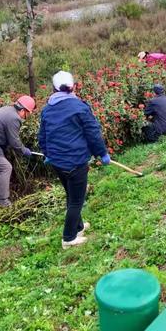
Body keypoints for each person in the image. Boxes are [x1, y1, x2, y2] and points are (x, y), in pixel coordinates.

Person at [38, 70, 111, 249]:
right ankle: (69, 238)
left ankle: (78, 227)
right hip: (75, 161)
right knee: (76, 200)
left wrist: (47, 153)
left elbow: (43, 136)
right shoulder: (80, 107)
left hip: (57, 162)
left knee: (71, 195)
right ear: (73, 87)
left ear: (54, 89)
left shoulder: (47, 109)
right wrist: (102, 153)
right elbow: (93, 133)